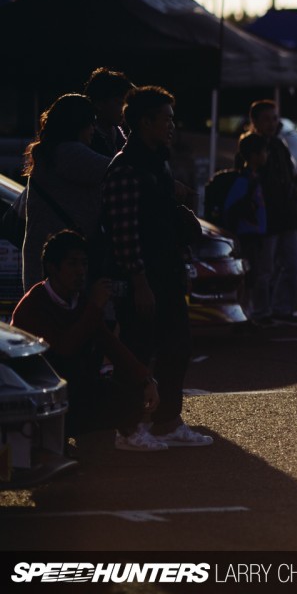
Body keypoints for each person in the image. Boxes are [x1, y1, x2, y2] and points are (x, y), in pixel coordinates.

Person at [100, 85, 211, 448]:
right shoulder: (126, 167)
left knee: (176, 347)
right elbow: (123, 231)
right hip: (141, 278)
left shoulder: (157, 162)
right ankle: (128, 429)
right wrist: (139, 281)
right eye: (166, 119)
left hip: (166, 272)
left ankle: (167, 422)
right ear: (145, 122)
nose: (171, 126)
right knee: (136, 352)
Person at [11, 230, 164, 450]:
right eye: (72, 264)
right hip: (35, 394)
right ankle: (54, 438)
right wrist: (95, 306)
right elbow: (63, 349)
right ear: (52, 268)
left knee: (130, 397)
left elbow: (109, 343)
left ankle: (107, 435)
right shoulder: (34, 305)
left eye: (84, 264)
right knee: (70, 374)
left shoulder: (79, 300)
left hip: (71, 386)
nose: (81, 271)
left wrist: (145, 379)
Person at [21, 94, 111, 293]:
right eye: (91, 122)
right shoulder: (70, 153)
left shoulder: (48, 153)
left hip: (47, 263)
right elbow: (119, 170)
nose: (94, 129)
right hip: (63, 266)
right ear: (79, 124)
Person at [248, 100, 297, 327]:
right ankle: (262, 311)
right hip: (266, 216)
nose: (272, 124)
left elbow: (288, 177)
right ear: (255, 121)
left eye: (274, 119)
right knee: (265, 269)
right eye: (267, 119)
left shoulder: (279, 145)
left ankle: (280, 309)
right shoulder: (251, 147)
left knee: (292, 264)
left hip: (286, 215)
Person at [223, 132, 270, 327]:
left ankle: (246, 313)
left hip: (253, 233)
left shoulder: (252, 178)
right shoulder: (245, 180)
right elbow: (231, 208)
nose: (266, 155)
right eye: (263, 152)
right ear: (254, 155)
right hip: (248, 234)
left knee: (252, 276)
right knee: (249, 277)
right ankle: (244, 314)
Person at [84, 67, 134, 158]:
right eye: (119, 103)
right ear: (99, 104)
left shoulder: (117, 135)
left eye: (126, 104)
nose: (124, 109)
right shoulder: (86, 139)